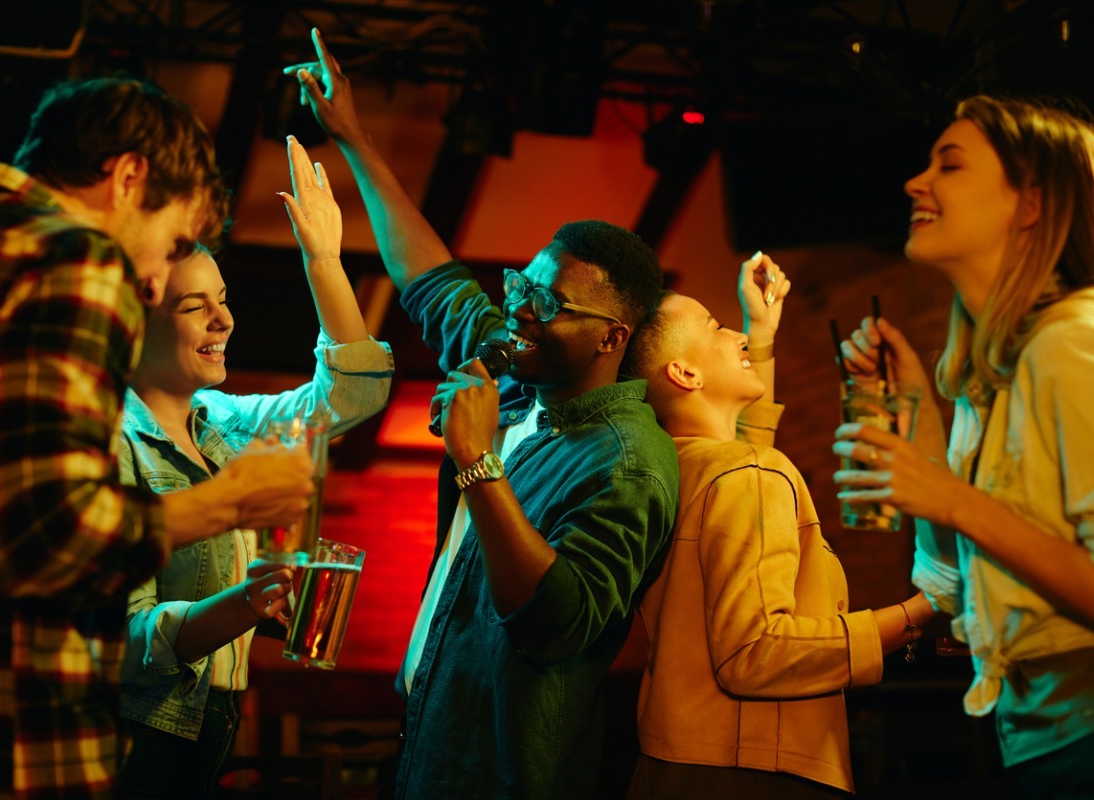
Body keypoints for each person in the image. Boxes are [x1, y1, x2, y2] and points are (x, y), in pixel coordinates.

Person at [0, 77, 316, 799]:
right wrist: (230, 502)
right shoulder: (77, 259)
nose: (152, 286)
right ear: (127, 178)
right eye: (174, 243)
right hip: (0, 724)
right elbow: (49, 536)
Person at [288, 28, 679, 799]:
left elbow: (555, 620)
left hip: (502, 772)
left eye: (545, 301)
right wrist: (356, 138)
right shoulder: (517, 375)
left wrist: (476, 460)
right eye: (520, 286)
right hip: (429, 735)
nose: (519, 311)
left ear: (611, 336)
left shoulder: (628, 459)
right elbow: (427, 275)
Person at [114, 135, 394, 799]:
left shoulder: (224, 425)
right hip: (139, 731)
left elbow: (354, 394)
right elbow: (127, 639)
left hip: (214, 719)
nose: (224, 320)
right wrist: (247, 601)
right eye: (193, 307)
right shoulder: (112, 439)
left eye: (223, 298)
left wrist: (324, 259)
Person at [834, 96, 1094, 798]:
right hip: (1034, 736)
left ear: (1032, 204)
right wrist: (917, 413)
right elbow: (954, 585)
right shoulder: (990, 378)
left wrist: (951, 497)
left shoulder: (1071, 344)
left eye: (949, 165)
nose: (916, 183)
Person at [622, 254, 939, 798]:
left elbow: (746, 448)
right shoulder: (748, 473)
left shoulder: (675, 468)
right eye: (715, 328)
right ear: (684, 373)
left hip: (675, 761)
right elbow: (755, 652)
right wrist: (919, 614)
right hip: (753, 772)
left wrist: (761, 330)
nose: (736, 338)